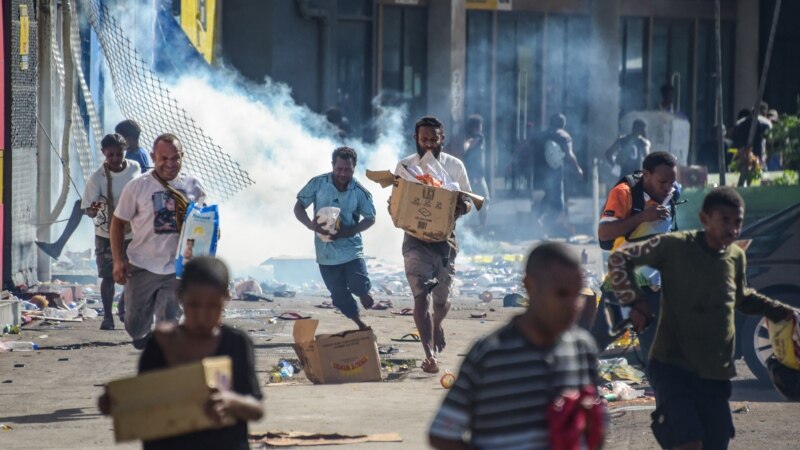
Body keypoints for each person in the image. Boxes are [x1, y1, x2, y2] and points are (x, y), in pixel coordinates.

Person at [608, 187, 798, 450]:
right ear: (705, 218)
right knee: (688, 440)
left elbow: (742, 297)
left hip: (714, 371)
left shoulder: (735, 256)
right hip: (673, 366)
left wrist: (781, 311)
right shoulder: (676, 246)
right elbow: (621, 259)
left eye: (738, 222)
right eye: (725, 220)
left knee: (716, 441)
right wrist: (635, 302)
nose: (733, 229)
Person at [429, 242, 604, 450]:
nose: (573, 306)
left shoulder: (582, 349)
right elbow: (442, 433)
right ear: (530, 286)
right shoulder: (491, 354)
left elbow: (595, 423)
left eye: (578, 295)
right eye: (562, 294)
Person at [98, 257, 264, 450]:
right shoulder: (160, 344)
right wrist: (117, 403)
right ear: (179, 296)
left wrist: (231, 401)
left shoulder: (236, 344)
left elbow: (257, 409)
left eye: (212, 306)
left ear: (226, 298)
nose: (202, 316)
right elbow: (144, 402)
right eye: (194, 305)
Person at [111, 133, 207, 349]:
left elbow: (203, 222)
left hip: (177, 268)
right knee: (135, 325)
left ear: (182, 156)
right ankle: (141, 334)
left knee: (168, 321)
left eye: (175, 158)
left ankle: (163, 356)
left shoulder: (193, 185)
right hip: (142, 265)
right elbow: (117, 223)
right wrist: (118, 261)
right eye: (164, 158)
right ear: (153, 157)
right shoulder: (138, 187)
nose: (170, 164)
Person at [396, 116, 472, 374]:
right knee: (421, 296)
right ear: (415, 138)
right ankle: (429, 355)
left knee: (441, 299)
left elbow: (468, 200)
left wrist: (460, 207)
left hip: (444, 242)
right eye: (424, 139)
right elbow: (398, 200)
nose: (429, 144)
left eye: (433, 139)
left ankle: (437, 323)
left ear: (442, 139)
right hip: (415, 241)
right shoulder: (405, 166)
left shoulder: (455, 166)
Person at [594, 151, 679, 354]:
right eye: (663, 182)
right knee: (596, 342)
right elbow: (604, 232)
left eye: (672, 182)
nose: (668, 187)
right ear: (646, 174)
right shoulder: (623, 193)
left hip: (655, 287)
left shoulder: (673, 191)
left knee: (657, 353)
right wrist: (643, 217)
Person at [294, 147, 377, 330]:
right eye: (339, 169)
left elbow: (370, 218)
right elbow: (298, 207)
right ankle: (360, 324)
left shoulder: (359, 191)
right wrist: (311, 225)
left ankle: (363, 292)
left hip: (351, 248)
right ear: (332, 166)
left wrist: (349, 231)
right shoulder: (318, 184)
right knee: (339, 296)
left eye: (347, 170)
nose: (343, 174)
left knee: (358, 283)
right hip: (326, 253)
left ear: (354, 168)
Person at [83, 134, 141, 330]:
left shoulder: (135, 168)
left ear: (125, 152)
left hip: (132, 232)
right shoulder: (97, 178)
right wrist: (93, 209)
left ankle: (122, 306)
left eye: (119, 154)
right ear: (103, 153)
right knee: (108, 276)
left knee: (133, 273)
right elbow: (89, 210)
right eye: (110, 155)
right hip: (106, 233)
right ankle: (108, 317)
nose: (115, 159)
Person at [537, 113, 584, 236]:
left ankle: (538, 218)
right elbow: (569, 154)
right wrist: (577, 169)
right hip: (556, 172)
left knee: (548, 196)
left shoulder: (543, 135)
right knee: (558, 205)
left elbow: (528, 146)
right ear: (563, 124)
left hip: (541, 171)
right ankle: (543, 225)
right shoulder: (563, 135)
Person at [462, 114, 490, 228]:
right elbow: (469, 143)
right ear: (478, 126)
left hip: (475, 175)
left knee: (473, 200)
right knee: (483, 200)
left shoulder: (472, 136)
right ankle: (481, 226)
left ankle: (468, 226)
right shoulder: (478, 137)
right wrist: (467, 145)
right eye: (481, 125)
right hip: (475, 175)